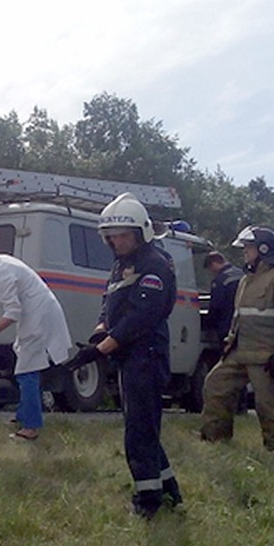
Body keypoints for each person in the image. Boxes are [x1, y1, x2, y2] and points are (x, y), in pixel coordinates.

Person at [65, 193, 182, 518]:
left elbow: (141, 317)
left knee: (139, 434)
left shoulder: (156, 265)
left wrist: (100, 350)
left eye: (124, 236)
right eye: (112, 237)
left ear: (141, 233)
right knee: (143, 427)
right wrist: (101, 329)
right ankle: (170, 493)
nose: (117, 242)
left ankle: (148, 503)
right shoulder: (122, 264)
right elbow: (111, 301)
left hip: (145, 356)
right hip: (129, 357)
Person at [200, 226, 274, 459]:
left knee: (270, 406)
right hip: (239, 352)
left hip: (267, 355)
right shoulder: (247, 280)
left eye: (248, 248)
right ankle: (215, 441)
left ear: (263, 249)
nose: (244, 253)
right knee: (215, 387)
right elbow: (240, 316)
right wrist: (230, 342)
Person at [0, 236, 72, 441]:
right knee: (25, 368)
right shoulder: (0, 265)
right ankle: (23, 415)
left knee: (27, 372)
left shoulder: (2, 272)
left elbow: (13, 312)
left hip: (38, 319)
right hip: (35, 316)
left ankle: (30, 427)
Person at [202, 250, 242, 339]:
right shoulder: (242, 274)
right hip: (243, 326)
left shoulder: (220, 280)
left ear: (214, 264)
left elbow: (216, 305)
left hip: (226, 325)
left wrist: (207, 324)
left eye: (210, 268)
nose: (211, 272)